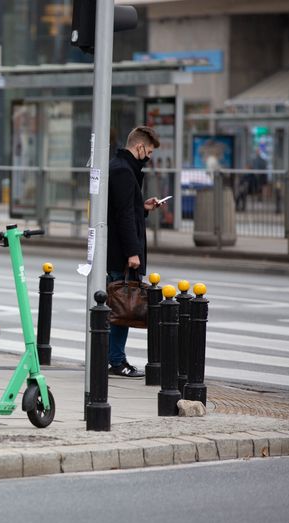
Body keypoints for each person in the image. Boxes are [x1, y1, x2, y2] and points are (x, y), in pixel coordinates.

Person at [107, 126, 163, 378]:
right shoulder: (123, 171)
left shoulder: (122, 167)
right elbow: (123, 216)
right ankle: (115, 361)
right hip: (121, 252)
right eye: (148, 151)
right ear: (139, 147)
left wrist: (143, 206)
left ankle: (112, 358)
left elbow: (126, 208)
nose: (149, 156)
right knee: (122, 306)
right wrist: (133, 253)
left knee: (117, 305)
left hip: (118, 249)